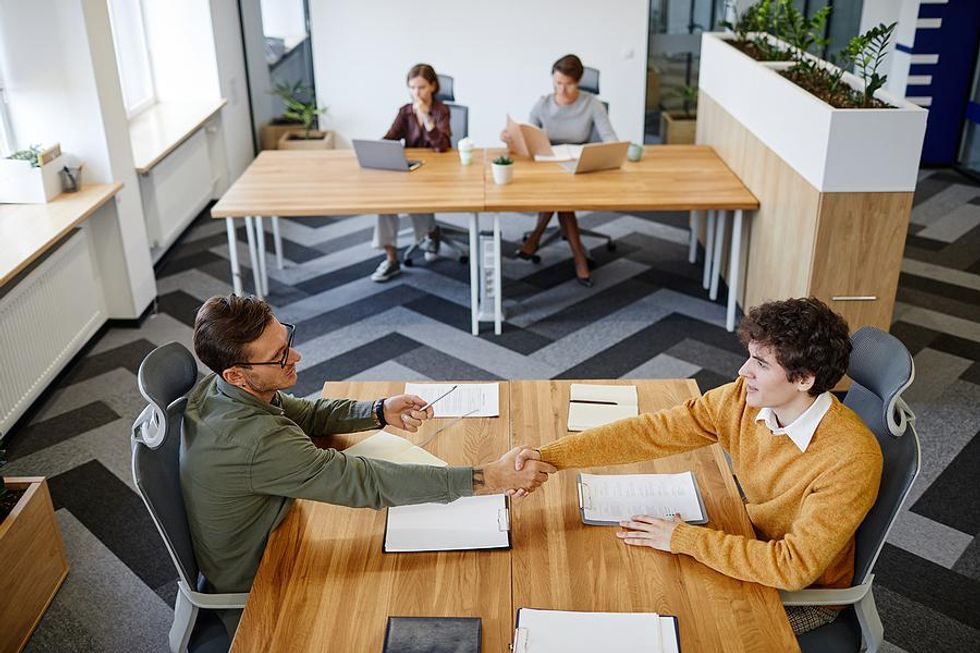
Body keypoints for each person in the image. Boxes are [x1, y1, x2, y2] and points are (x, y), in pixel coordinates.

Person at [182, 294, 553, 636]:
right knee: (425, 594)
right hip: (264, 581)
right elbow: (365, 482)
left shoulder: (220, 388)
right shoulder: (255, 441)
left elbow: (304, 414)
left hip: (278, 526)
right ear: (235, 373)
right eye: (280, 356)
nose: (296, 358)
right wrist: (486, 477)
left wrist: (378, 411)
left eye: (288, 343)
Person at [513, 297, 883, 635]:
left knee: (677, 631)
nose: (742, 371)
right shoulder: (743, 401)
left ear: (804, 380)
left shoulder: (849, 458)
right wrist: (549, 458)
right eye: (750, 356)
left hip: (799, 592)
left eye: (760, 363)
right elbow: (651, 432)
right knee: (634, 590)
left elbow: (792, 567)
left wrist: (682, 538)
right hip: (746, 538)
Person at [502, 54, 617, 287]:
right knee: (561, 201)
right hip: (547, 164)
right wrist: (509, 139)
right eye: (558, 84)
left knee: (560, 198)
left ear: (579, 81)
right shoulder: (543, 104)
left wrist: (599, 154)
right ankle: (579, 260)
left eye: (569, 84)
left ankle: (535, 240)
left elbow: (610, 140)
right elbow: (526, 138)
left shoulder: (591, 103)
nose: (562, 90)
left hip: (577, 165)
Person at [371, 63, 452, 282]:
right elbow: (390, 138)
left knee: (419, 201)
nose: (417, 93)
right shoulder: (405, 112)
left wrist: (427, 118)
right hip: (411, 169)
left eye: (422, 87)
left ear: (433, 86)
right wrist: (378, 149)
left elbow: (442, 146)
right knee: (384, 204)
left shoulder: (441, 111)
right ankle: (391, 258)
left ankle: (431, 232)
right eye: (413, 88)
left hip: (437, 172)